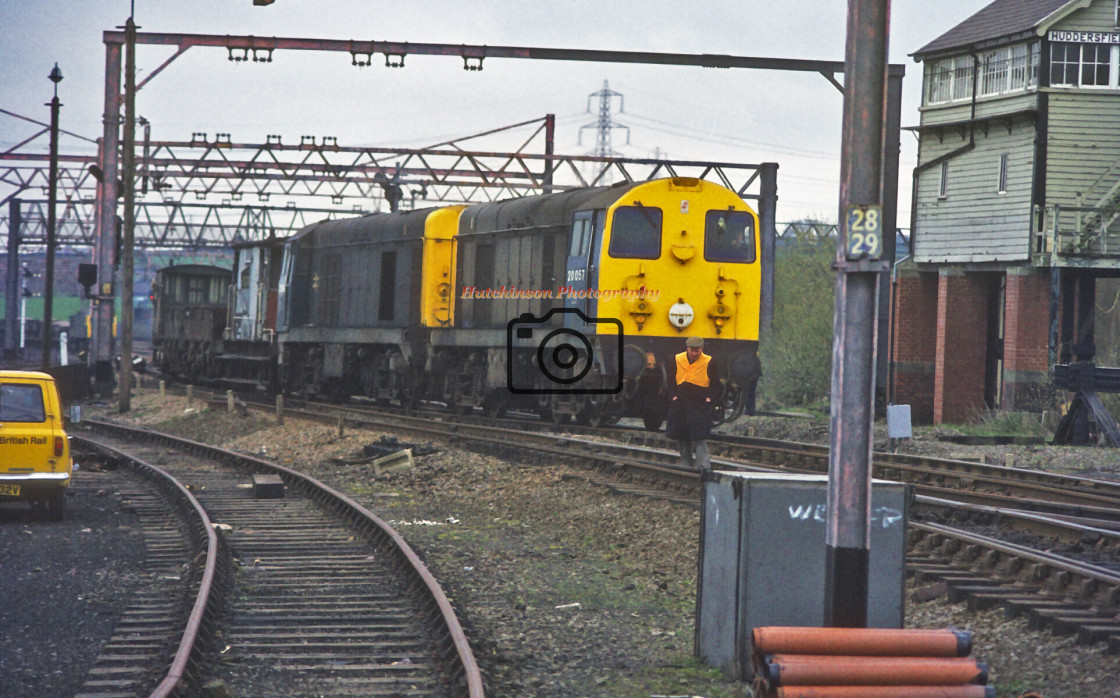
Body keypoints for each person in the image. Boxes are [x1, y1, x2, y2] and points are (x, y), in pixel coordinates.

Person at [666, 335, 718, 472]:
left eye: (697, 351)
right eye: (692, 350)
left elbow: (716, 384)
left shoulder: (709, 362)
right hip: (681, 402)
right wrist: (674, 396)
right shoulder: (677, 359)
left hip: (700, 403)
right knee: (682, 436)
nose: (694, 354)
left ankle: (704, 468)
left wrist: (710, 398)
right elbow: (671, 380)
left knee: (700, 436)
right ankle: (686, 468)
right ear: (687, 348)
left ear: (702, 348)